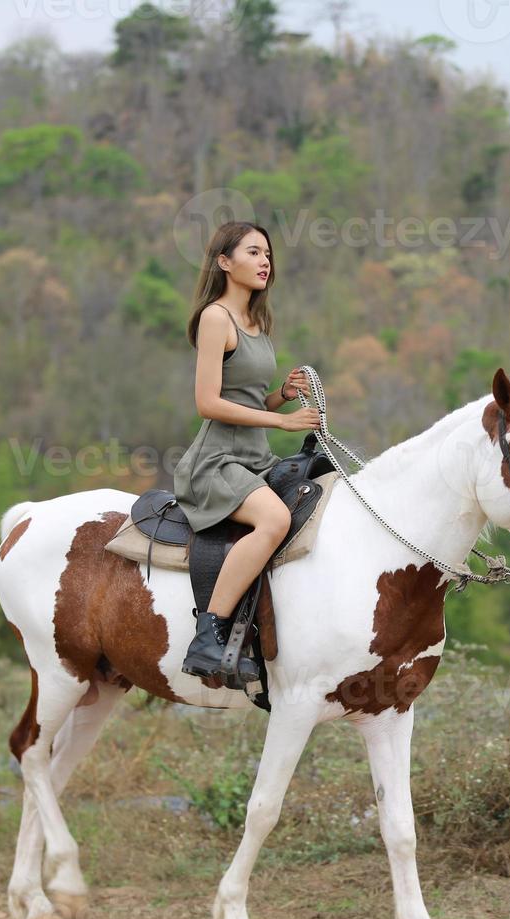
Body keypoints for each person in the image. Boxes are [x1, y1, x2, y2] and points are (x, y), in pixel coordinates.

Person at [173, 221, 320, 688]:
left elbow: (248, 399)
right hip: (217, 462)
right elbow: (208, 403)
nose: (264, 262)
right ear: (224, 261)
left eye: (268, 255)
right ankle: (208, 632)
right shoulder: (216, 318)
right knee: (275, 521)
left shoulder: (259, 323)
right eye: (254, 252)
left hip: (254, 459)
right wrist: (282, 422)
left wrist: (281, 394)